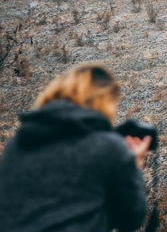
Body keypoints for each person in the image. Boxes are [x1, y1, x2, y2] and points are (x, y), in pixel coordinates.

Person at [0, 64, 151, 232]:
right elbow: (130, 219)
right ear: (101, 101)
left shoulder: (16, 145)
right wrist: (134, 165)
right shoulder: (106, 146)